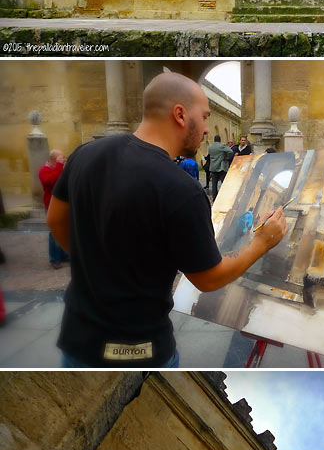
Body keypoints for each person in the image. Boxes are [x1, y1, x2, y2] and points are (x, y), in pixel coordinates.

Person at [47, 71, 287, 368]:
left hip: (77, 340)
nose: (207, 127)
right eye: (205, 116)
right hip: (140, 349)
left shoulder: (85, 154)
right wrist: (261, 243)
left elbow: (56, 218)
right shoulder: (181, 189)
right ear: (180, 115)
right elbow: (209, 277)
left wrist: (94, 259)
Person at [38, 150, 69, 267]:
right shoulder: (44, 170)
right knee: (54, 231)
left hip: (62, 203)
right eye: (62, 157)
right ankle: (55, 259)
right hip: (51, 204)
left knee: (64, 228)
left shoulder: (59, 169)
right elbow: (52, 182)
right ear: (55, 159)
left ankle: (63, 254)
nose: (64, 159)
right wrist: (60, 166)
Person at [209, 133, 233, 199]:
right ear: (220, 140)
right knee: (223, 184)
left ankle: (214, 198)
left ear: (214, 140)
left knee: (214, 185)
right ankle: (224, 197)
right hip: (221, 167)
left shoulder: (210, 147)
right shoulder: (222, 146)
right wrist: (227, 158)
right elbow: (230, 151)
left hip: (213, 167)